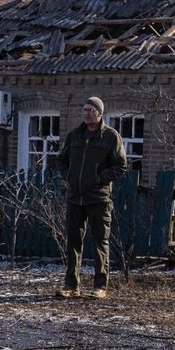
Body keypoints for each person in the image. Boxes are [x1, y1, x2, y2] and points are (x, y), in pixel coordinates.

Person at [55, 96, 127, 298]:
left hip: (98, 199)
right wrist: (69, 176)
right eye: (84, 109)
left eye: (90, 110)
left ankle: (100, 286)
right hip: (75, 198)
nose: (86, 113)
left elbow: (121, 165)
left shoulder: (110, 137)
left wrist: (99, 179)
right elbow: (61, 160)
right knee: (73, 243)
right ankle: (71, 286)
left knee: (100, 242)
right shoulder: (74, 136)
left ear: (100, 113)